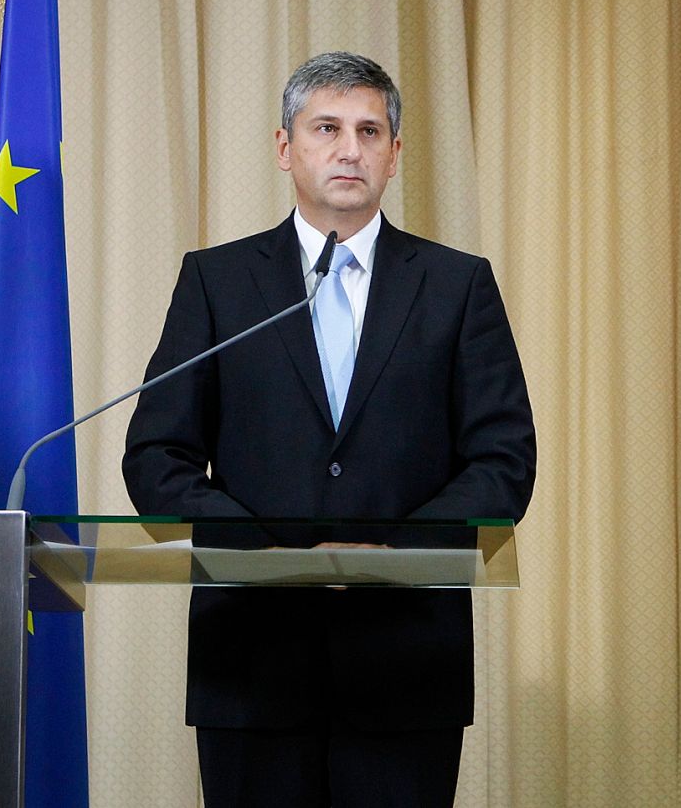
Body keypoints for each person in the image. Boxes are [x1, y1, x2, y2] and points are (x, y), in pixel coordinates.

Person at [123, 51, 537, 807]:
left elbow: (505, 461)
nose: (350, 148)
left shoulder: (456, 284)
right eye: (327, 127)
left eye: (369, 130)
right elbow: (157, 457)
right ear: (286, 148)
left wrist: (390, 553)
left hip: (406, 664)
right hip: (250, 663)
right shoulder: (217, 282)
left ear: (395, 153)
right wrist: (273, 554)